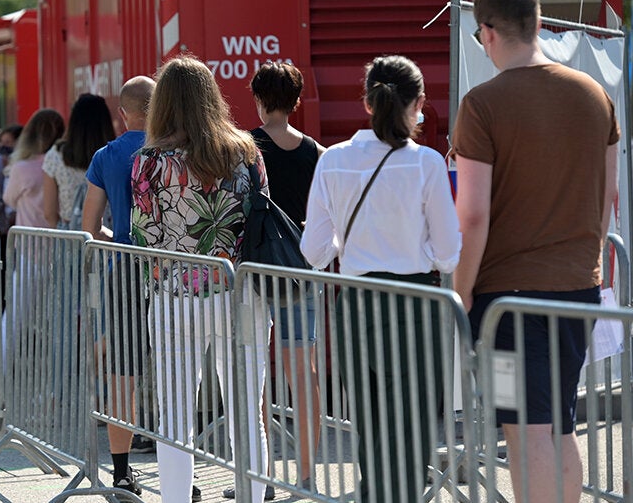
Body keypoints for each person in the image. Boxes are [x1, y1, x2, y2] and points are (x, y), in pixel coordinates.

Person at [452, 0, 619, 503]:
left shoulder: (482, 104)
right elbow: (607, 196)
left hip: (508, 302)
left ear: (487, 31)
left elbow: (473, 215)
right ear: (539, 23)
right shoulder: (594, 96)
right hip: (576, 288)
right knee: (561, 425)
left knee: (523, 431)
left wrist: (462, 290)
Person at [300, 55, 460, 503]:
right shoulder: (426, 163)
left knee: (368, 425)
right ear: (419, 102)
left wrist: (349, 245)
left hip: (355, 301)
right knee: (411, 430)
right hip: (414, 301)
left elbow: (314, 251)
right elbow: (448, 253)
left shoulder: (332, 160)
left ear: (367, 102)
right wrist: (416, 251)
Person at [131, 56, 271, 503]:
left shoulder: (149, 161)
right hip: (240, 292)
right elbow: (260, 219)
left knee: (174, 414)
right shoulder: (246, 150)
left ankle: (175, 498)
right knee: (247, 407)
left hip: (174, 297)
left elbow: (143, 235)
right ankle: (253, 494)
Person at [237, 60, 322, 498]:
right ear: (296, 100)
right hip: (300, 268)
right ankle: (305, 477)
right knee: (300, 369)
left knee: (253, 372)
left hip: (253, 269)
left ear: (257, 98)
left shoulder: (244, 147)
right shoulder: (316, 152)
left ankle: (258, 476)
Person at [80, 76, 156, 495]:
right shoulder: (174, 149)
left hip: (125, 271)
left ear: (123, 113)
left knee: (122, 375)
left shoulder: (106, 155)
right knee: (176, 372)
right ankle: (184, 473)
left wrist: (121, 240)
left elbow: (89, 226)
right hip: (171, 271)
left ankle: (122, 471)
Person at [42, 94, 115, 229]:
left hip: (69, 233)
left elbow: (49, 212)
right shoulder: (113, 154)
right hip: (107, 234)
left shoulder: (55, 155)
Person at [2, 109, 65, 229]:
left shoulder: (21, 168)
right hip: (60, 237)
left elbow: (9, 199)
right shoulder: (64, 164)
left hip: (29, 239)